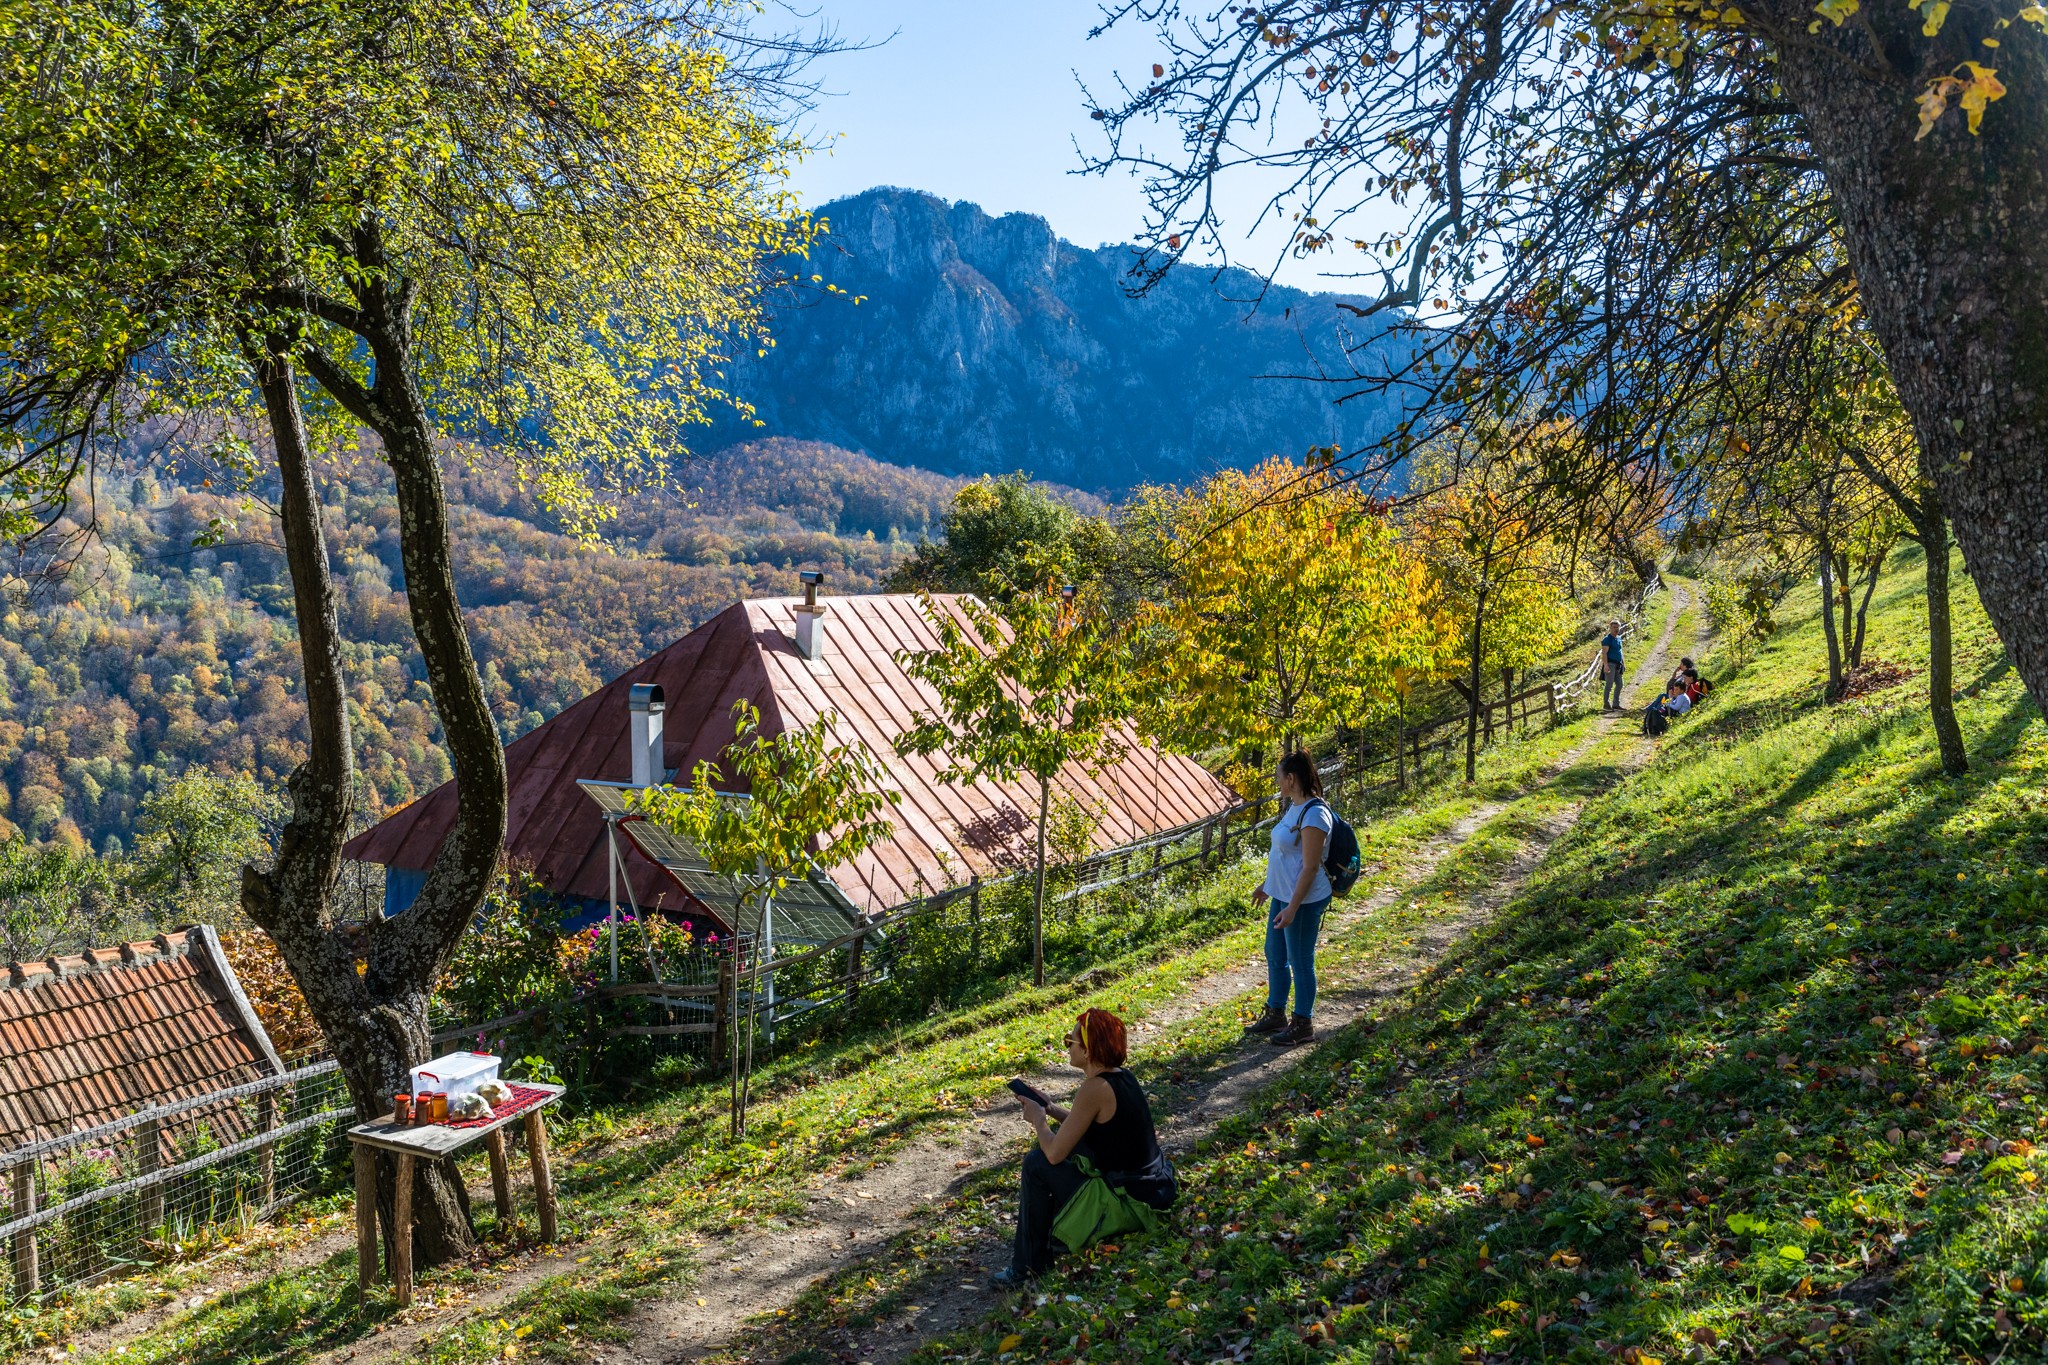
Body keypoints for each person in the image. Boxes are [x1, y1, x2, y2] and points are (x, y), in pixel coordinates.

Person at [995, 1007, 1176, 1286]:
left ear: (1089, 1052)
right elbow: (1089, 1127)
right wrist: (1051, 1108)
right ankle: (1054, 1234)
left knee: (1037, 1163)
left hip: (1128, 1202)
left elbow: (1055, 1154)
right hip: (1150, 1190)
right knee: (1064, 1151)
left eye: (1071, 1041)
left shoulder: (1095, 1089)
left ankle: (1027, 1267)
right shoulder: (1121, 1077)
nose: (1067, 1047)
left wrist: (1039, 1121)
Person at [1245, 752, 1331, 1049]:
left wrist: (1293, 907)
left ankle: (1303, 1024)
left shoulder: (1315, 814)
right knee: (1275, 953)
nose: (1277, 781)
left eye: (1279, 776)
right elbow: (1287, 855)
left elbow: (1309, 867)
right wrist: (1267, 886)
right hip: (1282, 895)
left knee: (1300, 961)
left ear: (1291, 779)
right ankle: (1276, 1013)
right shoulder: (1295, 807)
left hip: (1303, 901)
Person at [1597, 620, 1625, 710]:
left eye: (1617, 627)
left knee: (1620, 684)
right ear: (1610, 628)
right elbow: (1604, 653)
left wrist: (1623, 663)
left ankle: (1616, 704)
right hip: (1610, 664)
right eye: (1614, 627)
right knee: (1609, 684)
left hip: (1618, 664)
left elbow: (1620, 651)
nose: (1616, 629)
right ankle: (1606, 704)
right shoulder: (1607, 639)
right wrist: (1605, 665)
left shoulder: (1619, 638)